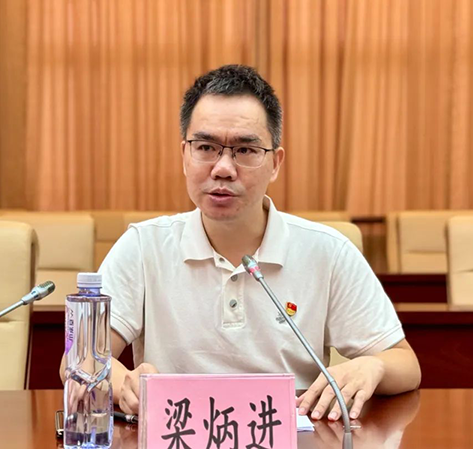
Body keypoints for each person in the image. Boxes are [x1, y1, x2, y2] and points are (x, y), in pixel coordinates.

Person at [60, 64, 421, 422]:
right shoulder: (143, 246)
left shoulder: (327, 251)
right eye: (206, 147)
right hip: (177, 435)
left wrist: (373, 367)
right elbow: (80, 360)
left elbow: (405, 363)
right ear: (185, 155)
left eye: (245, 151)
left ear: (275, 163)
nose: (223, 168)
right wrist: (123, 383)